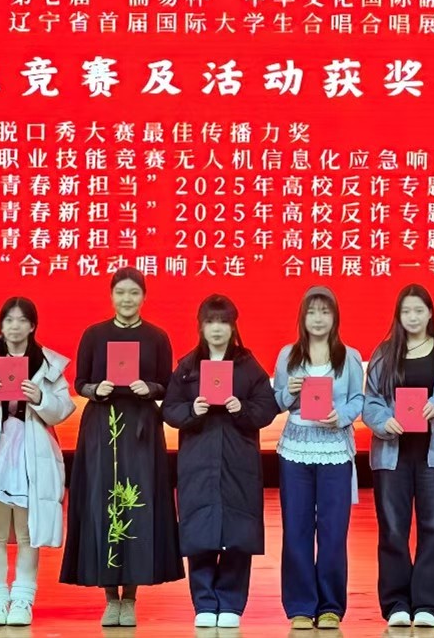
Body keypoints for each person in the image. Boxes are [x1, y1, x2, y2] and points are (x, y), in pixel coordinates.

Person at [59, 267, 183, 624]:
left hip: (141, 428)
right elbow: (80, 382)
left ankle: (130, 596)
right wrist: (94, 389)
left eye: (134, 293)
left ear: (144, 297)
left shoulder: (156, 336)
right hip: (101, 427)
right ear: (111, 295)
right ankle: (109, 597)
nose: (127, 299)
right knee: (102, 503)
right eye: (120, 292)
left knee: (138, 505)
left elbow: (168, 385)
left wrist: (152, 388)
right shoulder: (94, 334)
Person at [0, 297, 76, 627]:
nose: (15, 326)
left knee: (27, 532)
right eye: (9, 320)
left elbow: (64, 408)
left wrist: (41, 398)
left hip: (30, 452)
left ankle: (22, 599)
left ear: (32, 326)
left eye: (22, 320)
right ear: (1, 325)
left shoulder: (46, 364)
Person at [162, 294, 280, 628]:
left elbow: (267, 407)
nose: (217, 329)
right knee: (199, 530)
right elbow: (169, 408)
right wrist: (192, 410)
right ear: (200, 326)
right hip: (198, 462)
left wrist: (242, 409)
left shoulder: (248, 365)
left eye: (223, 322)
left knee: (238, 531)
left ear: (233, 327)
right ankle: (204, 602)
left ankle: (231, 603)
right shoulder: (188, 367)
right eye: (210, 322)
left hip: (238, 462)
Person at [362, 284, 434, 629]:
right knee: (393, 528)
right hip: (392, 455)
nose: (412, 317)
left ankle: (428, 605)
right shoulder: (384, 352)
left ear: (430, 313)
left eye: (418, 310)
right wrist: (383, 421)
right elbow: (371, 400)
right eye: (406, 311)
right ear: (398, 315)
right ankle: (396, 603)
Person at [272, 285, 365, 630]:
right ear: (302, 317)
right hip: (295, 450)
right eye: (312, 312)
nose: (318, 318)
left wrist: (341, 416)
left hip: (335, 450)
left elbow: (358, 400)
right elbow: (276, 401)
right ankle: (300, 605)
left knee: (333, 530)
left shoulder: (349, 356)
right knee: (296, 528)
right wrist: (288, 392)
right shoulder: (288, 355)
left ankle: (330, 606)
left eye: (325, 312)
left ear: (335, 317)